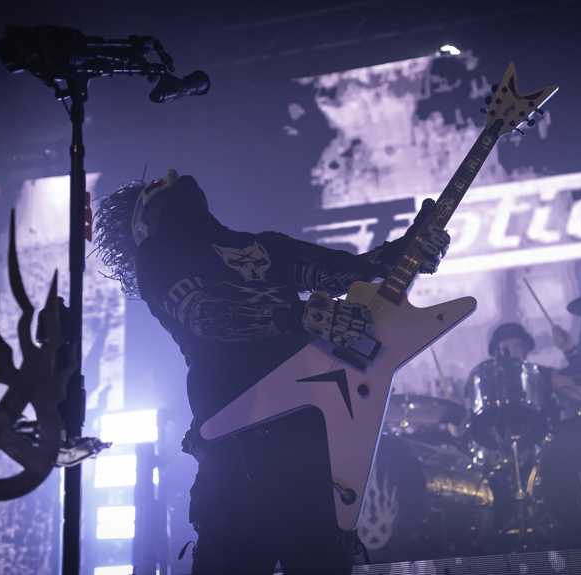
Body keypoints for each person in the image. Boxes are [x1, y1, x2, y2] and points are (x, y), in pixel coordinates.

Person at [93, 170, 449, 575]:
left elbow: (349, 271)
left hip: (307, 441)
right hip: (236, 450)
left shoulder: (261, 245)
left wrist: (409, 248)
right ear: (143, 224)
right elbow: (206, 316)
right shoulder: (158, 255)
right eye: (157, 185)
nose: (172, 178)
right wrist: (301, 314)